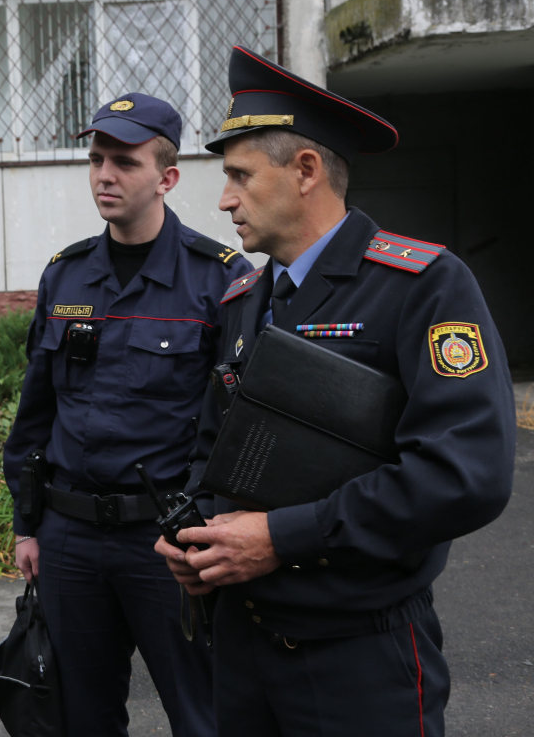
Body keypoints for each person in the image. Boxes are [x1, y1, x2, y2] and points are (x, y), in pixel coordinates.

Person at [156, 45, 516, 737]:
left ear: (307, 171)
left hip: (357, 659)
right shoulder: (245, 298)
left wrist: (281, 538)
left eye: (238, 175)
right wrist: (194, 534)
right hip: (242, 652)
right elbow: (214, 451)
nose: (224, 199)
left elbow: (465, 473)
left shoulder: (422, 285)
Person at [3, 92, 254, 736]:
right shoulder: (65, 276)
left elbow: (235, 428)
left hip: (169, 542)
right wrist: (27, 525)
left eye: (124, 161)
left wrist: (211, 528)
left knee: (203, 716)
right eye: (95, 159)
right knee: (80, 719)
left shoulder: (218, 279)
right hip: (70, 541)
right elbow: (35, 414)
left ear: (166, 177)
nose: (104, 176)